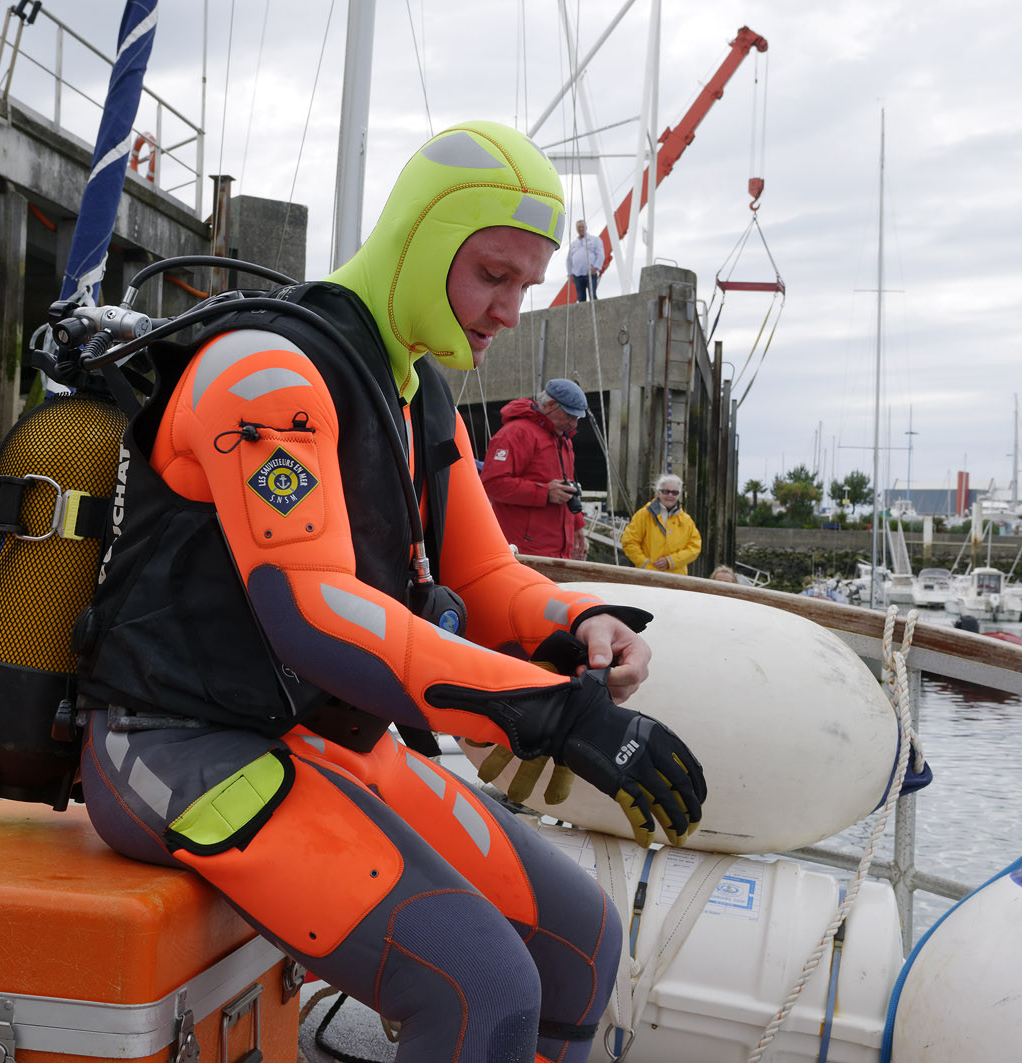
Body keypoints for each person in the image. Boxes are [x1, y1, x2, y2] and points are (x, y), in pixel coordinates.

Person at [72, 121, 706, 1063]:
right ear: (420, 238)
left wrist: (584, 622)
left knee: (582, 943)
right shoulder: (263, 375)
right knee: (479, 984)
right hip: (173, 743)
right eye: (492, 275)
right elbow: (313, 613)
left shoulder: (417, 397)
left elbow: (482, 576)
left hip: (324, 740)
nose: (510, 310)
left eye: (526, 285)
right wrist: (550, 714)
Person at [481, 378, 590, 560]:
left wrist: (578, 526)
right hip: (524, 551)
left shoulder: (563, 441)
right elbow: (492, 484)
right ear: (550, 405)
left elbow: (567, 490)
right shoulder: (515, 433)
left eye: (577, 418)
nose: (574, 424)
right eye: (570, 416)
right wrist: (545, 492)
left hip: (556, 552)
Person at [622, 474, 703, 574]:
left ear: (679, 495)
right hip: (647, 575)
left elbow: (695, 547)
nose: (670, 495)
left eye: (675, 492)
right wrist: (645, 564)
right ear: (658, 492)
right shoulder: (643, 515)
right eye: (666, 491)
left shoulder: (687, 521)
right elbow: (629, 542)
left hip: (677, 577)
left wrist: (672, 561)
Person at [565, 218, 604, 301]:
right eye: (579, 227)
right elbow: (569, 260)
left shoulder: (595, 240)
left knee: (592, 295)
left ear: (586, 227)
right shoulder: (573, 244)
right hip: (577, 275)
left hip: (590, 273)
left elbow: (600, 255)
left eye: (582, 227)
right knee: (581, 298)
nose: (581, 229)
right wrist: (570, 274)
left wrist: (596, 268)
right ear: (576, 229)